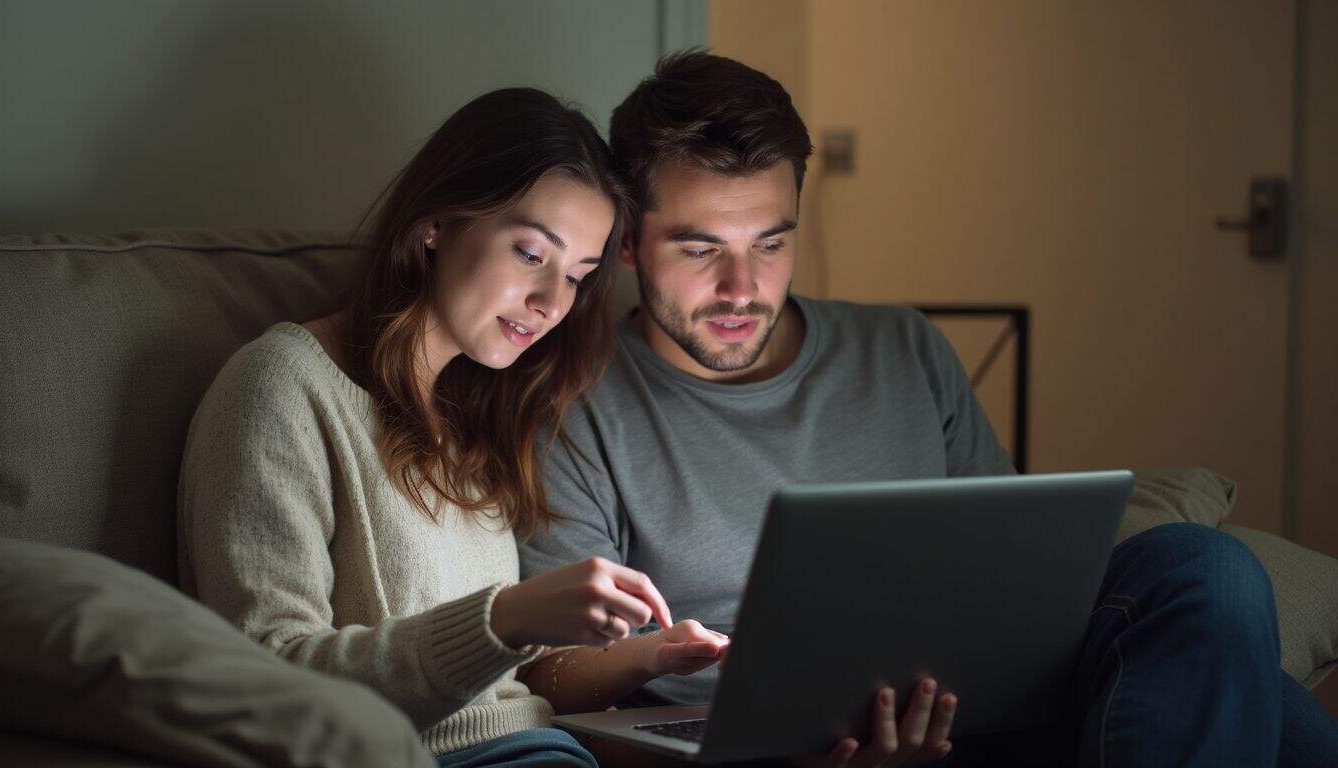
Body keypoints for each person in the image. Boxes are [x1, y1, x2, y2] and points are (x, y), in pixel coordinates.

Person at [519, 52, 1338, 767]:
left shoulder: (902, 348)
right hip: (772, 742)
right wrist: (665, 654)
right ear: (628, 242)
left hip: (983, 703)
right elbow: (551, 671)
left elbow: (1015, 568)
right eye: (701, 250)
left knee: (1206, 569)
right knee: (1252, 703)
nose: (743, 289)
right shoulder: (572, 402)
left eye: (772, 243)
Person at [177, 87, 725, 768]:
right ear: (438, 221)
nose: (553, 302)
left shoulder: (476, 413)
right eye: (530, 253)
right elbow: (268, 684)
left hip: (544, 748)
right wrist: (506, 616)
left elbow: (510, 685)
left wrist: (644, 656)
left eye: (579, 277)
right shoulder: (281, 387)